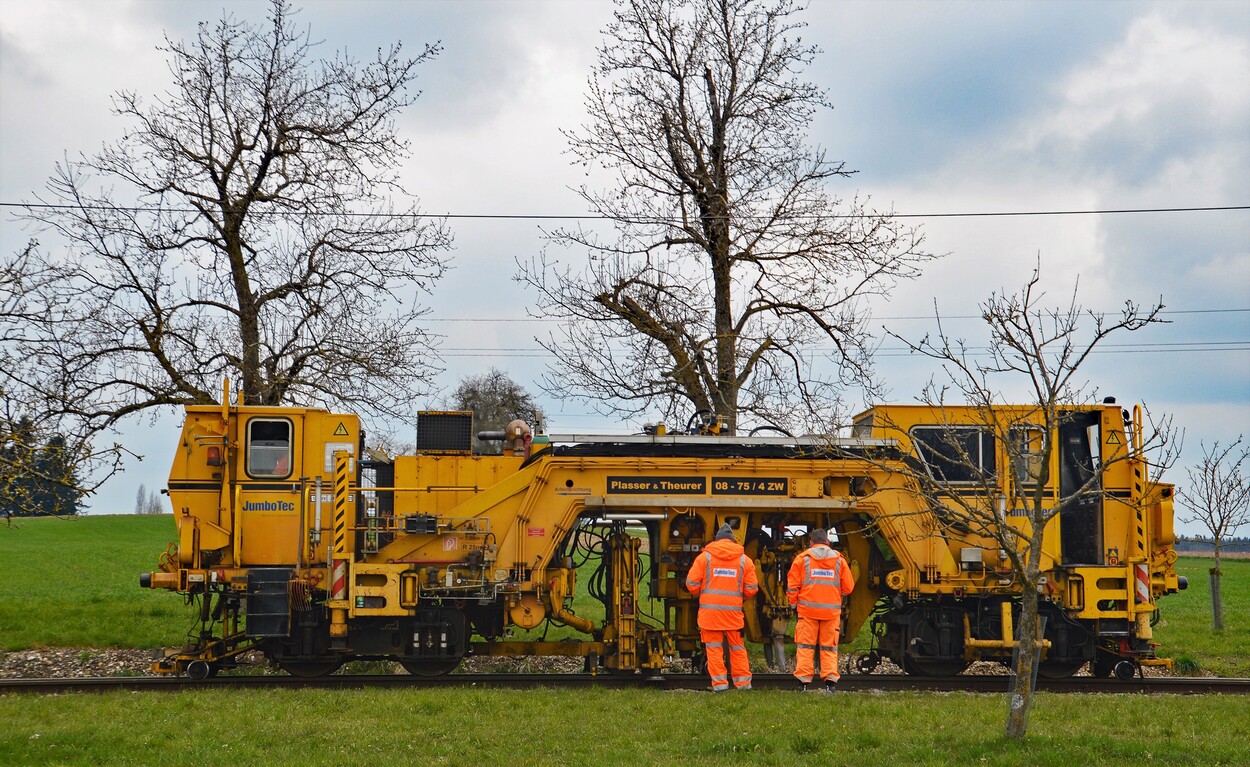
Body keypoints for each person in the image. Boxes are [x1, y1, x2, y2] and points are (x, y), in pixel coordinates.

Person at [685, 523, 759, 691]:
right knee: (737, 649)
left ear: (716, 540)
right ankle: (744, 685)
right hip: (733, 614)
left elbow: (691, 584)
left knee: (714, 650)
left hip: (710, 614)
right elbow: (752, 588)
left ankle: (719, 685)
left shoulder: (705, 558)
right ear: (733, 541)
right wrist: (740, 599)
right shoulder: (744, 560)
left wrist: (701, 593)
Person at [787, 528, 854, 693]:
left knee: (805, 647)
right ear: (828, 542)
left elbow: (792, 586)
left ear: (811, 543)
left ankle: (803, 683)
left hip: (807, 612)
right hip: (831, 613)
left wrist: (794, 604)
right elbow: (848, 588)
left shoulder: (802, 559)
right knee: (829, 648)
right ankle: (830, 684)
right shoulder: (839, 560)